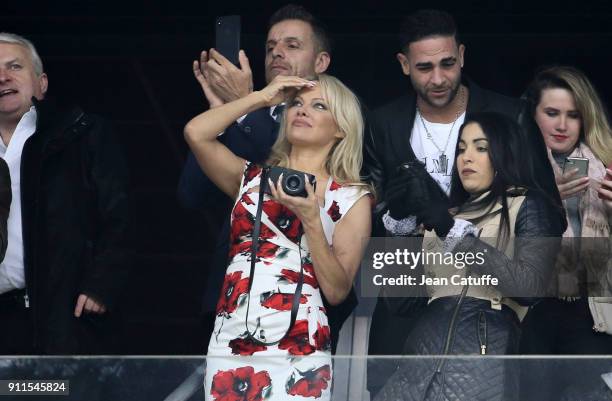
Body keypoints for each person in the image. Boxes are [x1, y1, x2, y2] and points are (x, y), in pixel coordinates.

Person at [363, 9, 546, 396]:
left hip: (490, 318)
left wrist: (448, 222)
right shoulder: (383, 123)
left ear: (462, 54)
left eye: (448, 63)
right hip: (411, 312)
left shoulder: (509, 114)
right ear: (403, 64)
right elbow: (373, 226)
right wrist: (396, 219)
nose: (439, 78)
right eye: (425, 67)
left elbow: (547, 213)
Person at [179, 5, 360, 353]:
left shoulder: (336, 116)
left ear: (321, 62)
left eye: (292, 45)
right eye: (270, 46)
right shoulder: (245, 109)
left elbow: (292, 170)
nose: (277, 52)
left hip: (301, 316)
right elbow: (190, 195)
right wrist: (229, 110)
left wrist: (246, 107)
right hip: (230, 301)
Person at [184, 73, 371, 401]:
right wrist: (264, 97)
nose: (302, 110)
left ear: (340, 127)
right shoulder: (250, 177)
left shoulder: (351, 197)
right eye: (296, 103)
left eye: (318, 106)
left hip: (300, 344)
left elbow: (338, 291)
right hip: (233, 335)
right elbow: (195, 133)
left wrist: (312, 218)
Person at [374, 112, 566, 401]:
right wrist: (399, 229)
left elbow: (530, 287)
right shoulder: (445, 215)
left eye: (481, 147)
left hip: (483, 359)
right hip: (418, 363)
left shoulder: (528, 203)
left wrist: (452, 232)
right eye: (461, 148)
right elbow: (401, 302)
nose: (466, 157)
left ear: (505, 152)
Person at [0, 33, 130, 354]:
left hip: (62, 315)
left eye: (14, 66)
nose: (2, 77)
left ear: (41, 83)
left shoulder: (81, 135)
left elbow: (120, 215)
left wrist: (101, 284)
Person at [519, 66, 612, 400]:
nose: (562, 125)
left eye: (573, 115)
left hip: (595, 312)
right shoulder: (512, 168)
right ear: (533, 115)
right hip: (533, 310)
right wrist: (543, 196)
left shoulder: (606, 163)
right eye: (552, 113)